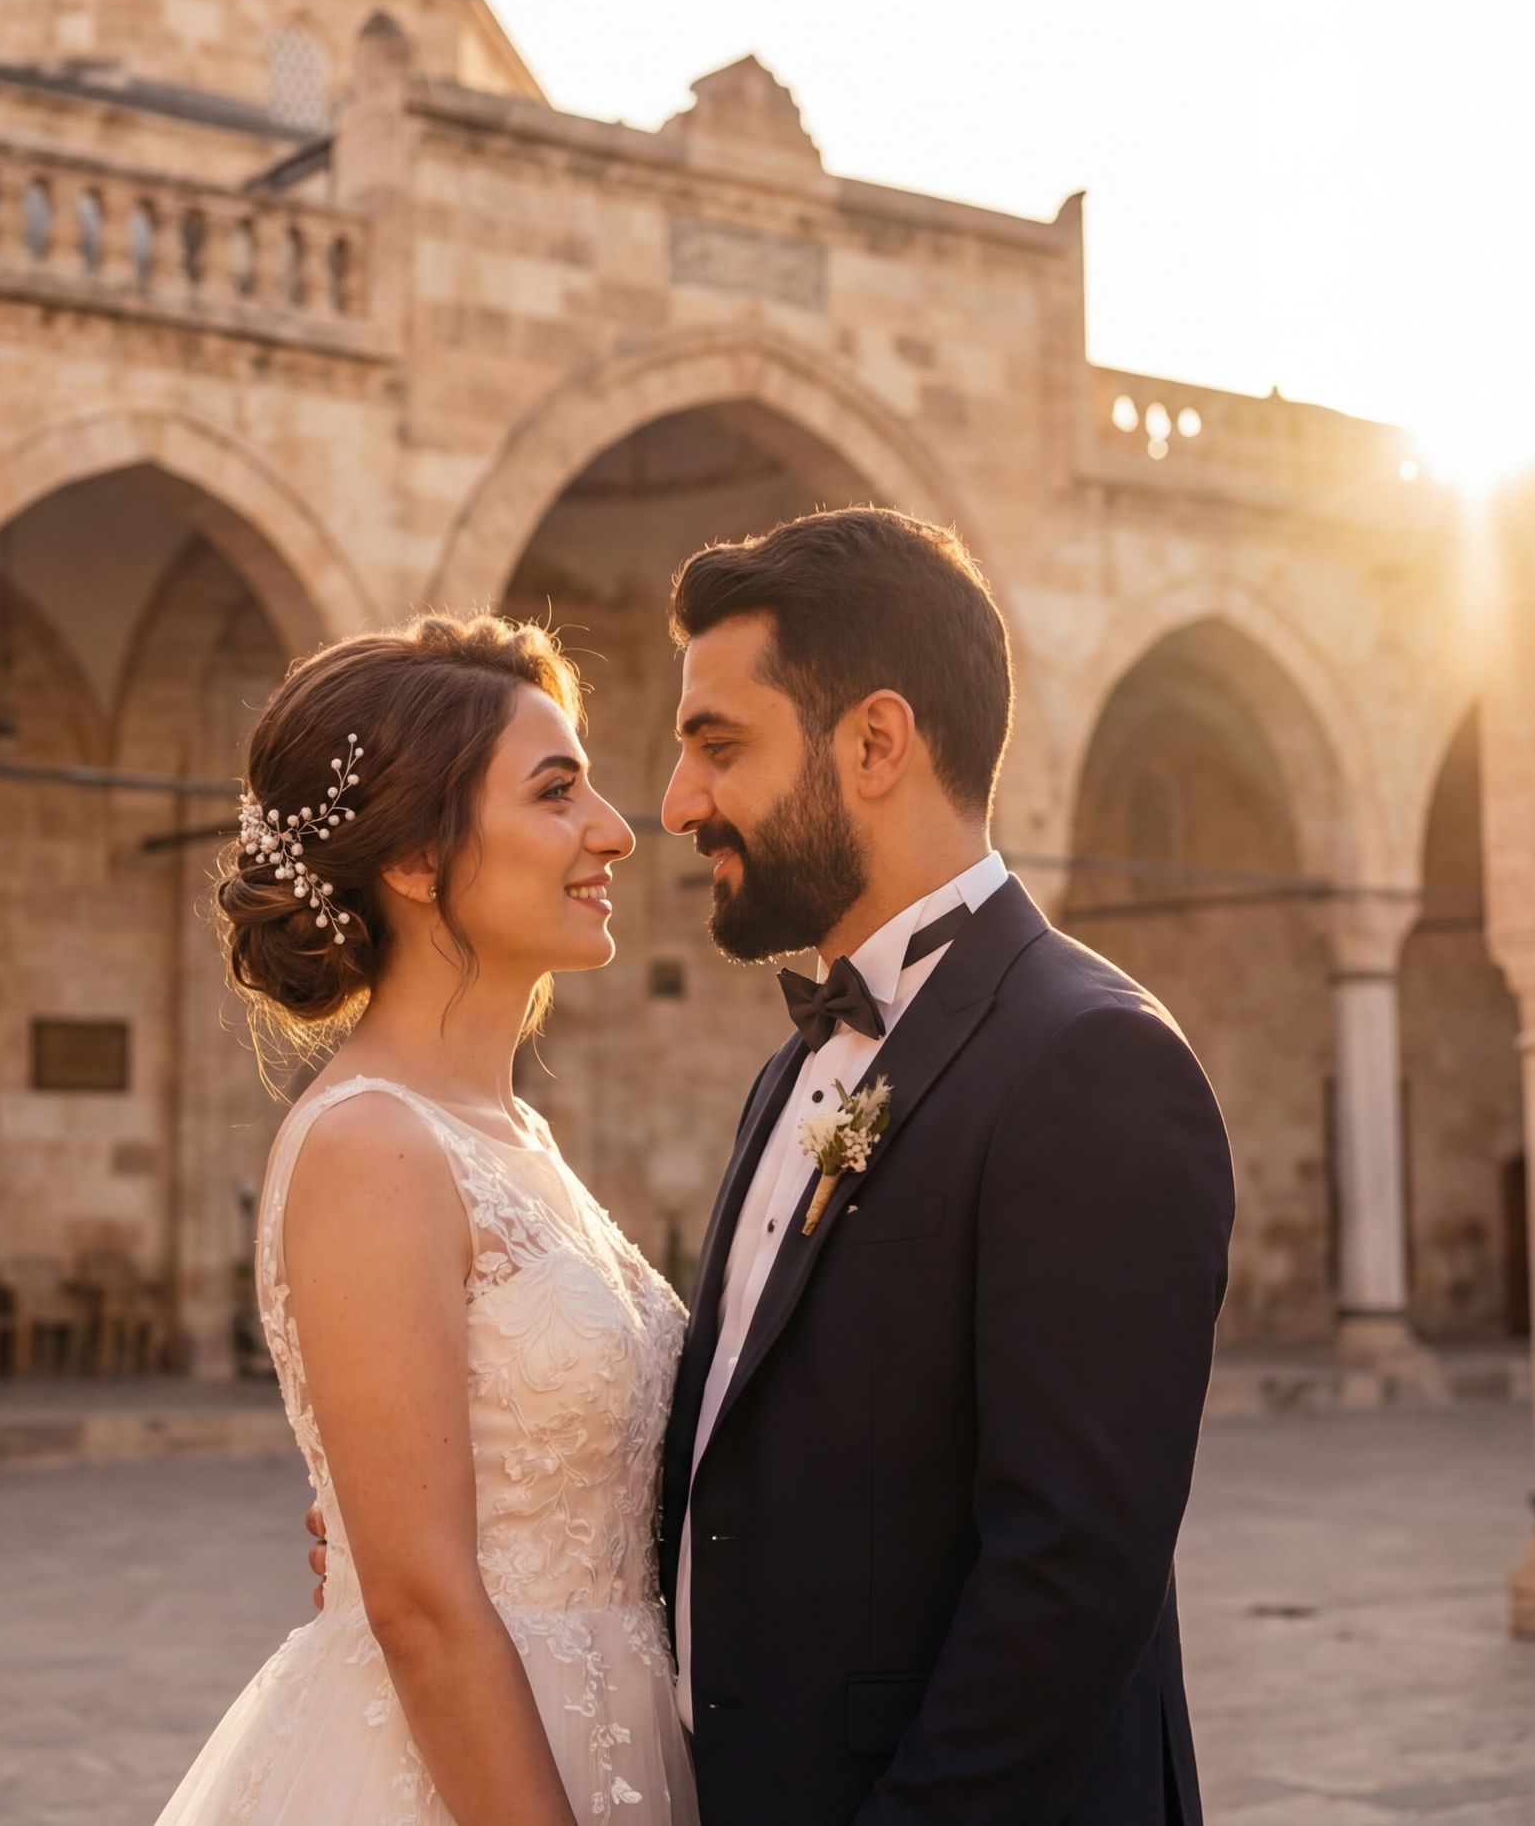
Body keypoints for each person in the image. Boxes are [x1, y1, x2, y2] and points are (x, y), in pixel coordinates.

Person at [295, 509, 1238, 1823]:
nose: (674, 807)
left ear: (874, 743)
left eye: (716, 748)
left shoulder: (1088, 1063)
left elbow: (1072, 1578)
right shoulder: (791, 1073)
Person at [152, 613, 693, 1826]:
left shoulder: (512, 1137)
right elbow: (423, 1606)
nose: (613, 830)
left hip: (611, 1721)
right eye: (557, 793)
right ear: (413, 858)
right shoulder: (372, 1145)